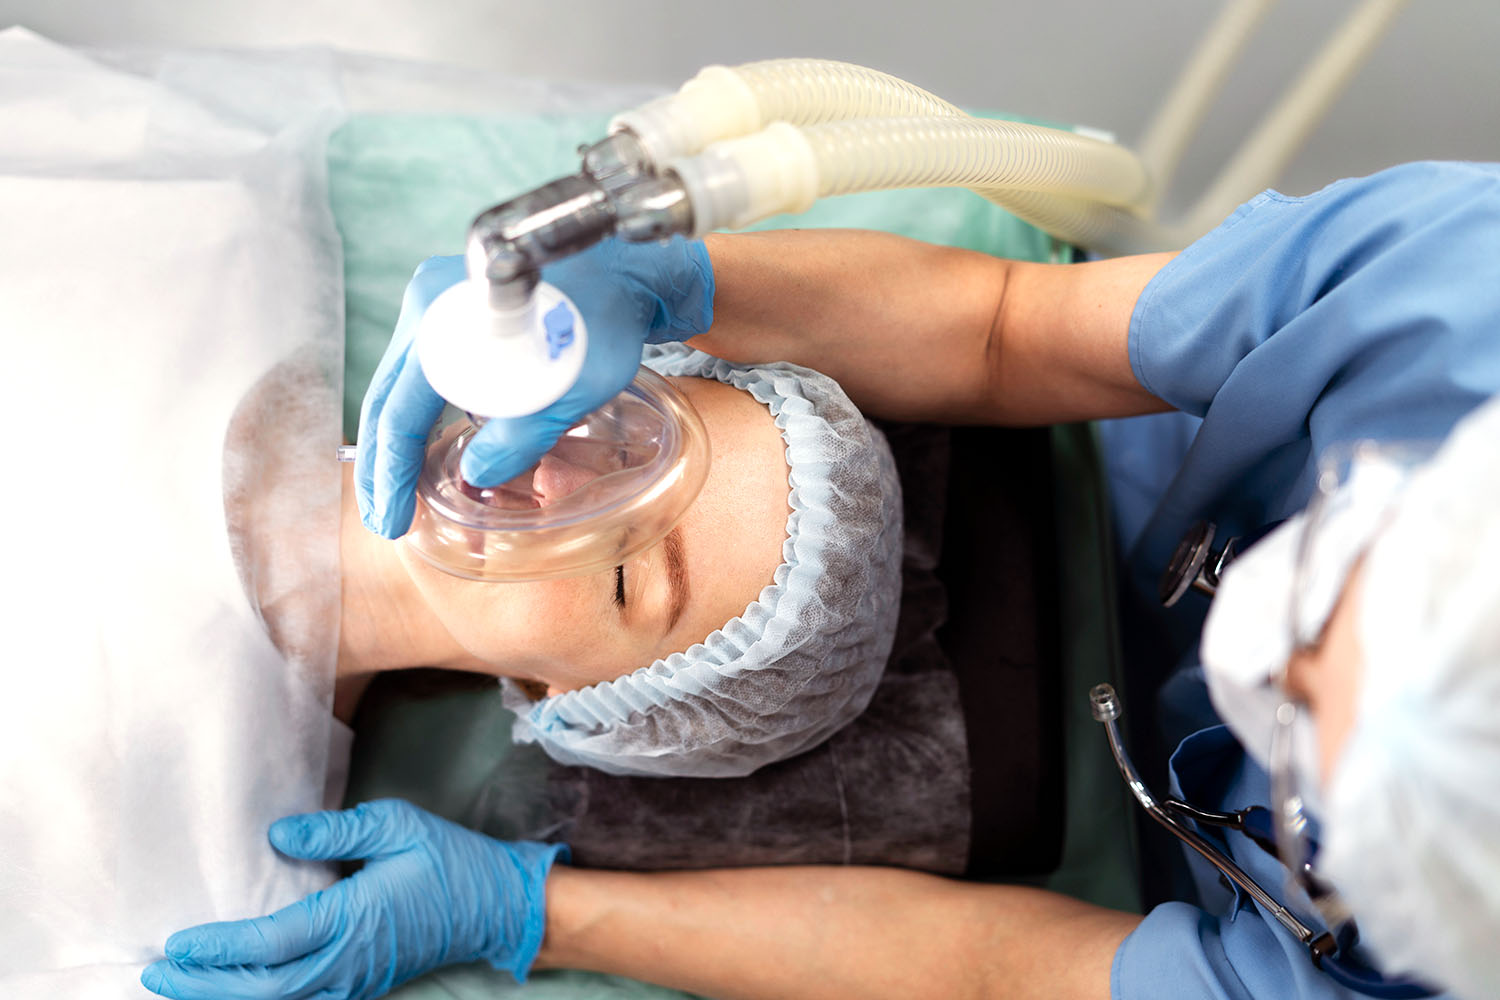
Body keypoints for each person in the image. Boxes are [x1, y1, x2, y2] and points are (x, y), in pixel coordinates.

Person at [144, 161, 1500, 1000]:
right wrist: (681, 283)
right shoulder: (1453, 302)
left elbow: (999, 969)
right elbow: (1006, 323)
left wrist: (529, 908)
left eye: (636, 584)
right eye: (1336, 567)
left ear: (566, 704)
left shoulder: (174, 813)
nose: (563, 482)